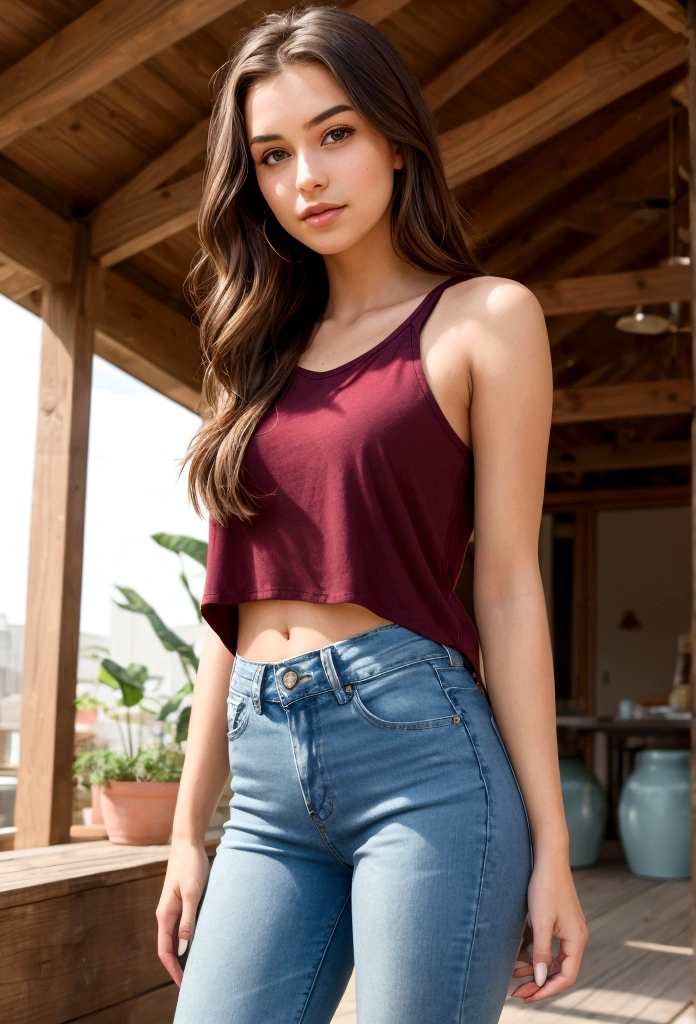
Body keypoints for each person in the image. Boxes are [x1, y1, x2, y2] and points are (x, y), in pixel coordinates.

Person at [158, 6, 588, 1023]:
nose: (305, 175)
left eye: (335, 133)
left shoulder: (487, 317)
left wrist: (555, 846)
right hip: (262, 785)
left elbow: (509, 588)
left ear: (396, 141)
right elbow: (232, 607)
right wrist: (187, 826)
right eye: (272, 154)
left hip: (425, 761)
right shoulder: (253, 351)